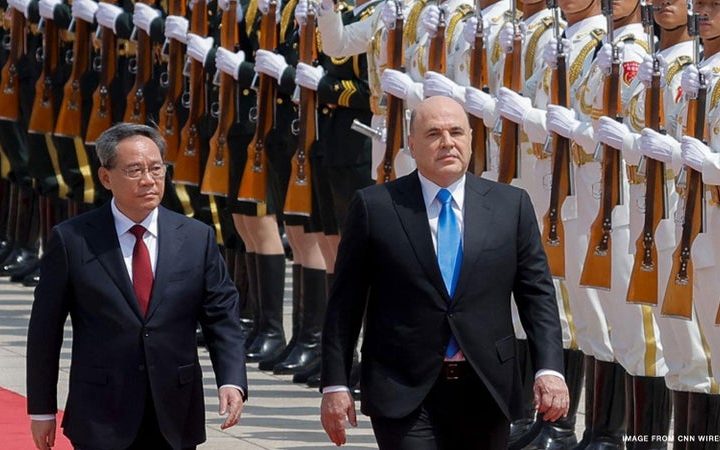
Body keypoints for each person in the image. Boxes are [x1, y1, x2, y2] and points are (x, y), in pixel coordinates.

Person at [320, 96, 569, 449]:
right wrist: (335, 383)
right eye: (434, 134)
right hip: (402, 386)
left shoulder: (510, 206)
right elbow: (345, 305)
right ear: (412, 144)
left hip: (486, 387)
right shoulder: (376, 207)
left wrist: (550, 369)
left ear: (471, 139)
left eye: (456, 132)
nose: (448, 143)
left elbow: (537, 296)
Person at [26, 123, 248, 450]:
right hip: (100, 413)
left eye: (156, 169)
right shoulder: (73, 239)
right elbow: (45, 331)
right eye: (135, 170)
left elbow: (222, 318)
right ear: (106, 177)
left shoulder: (196, 237)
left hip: (175, 413)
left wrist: (231, 380)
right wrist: (42, 409)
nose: (148, 180)